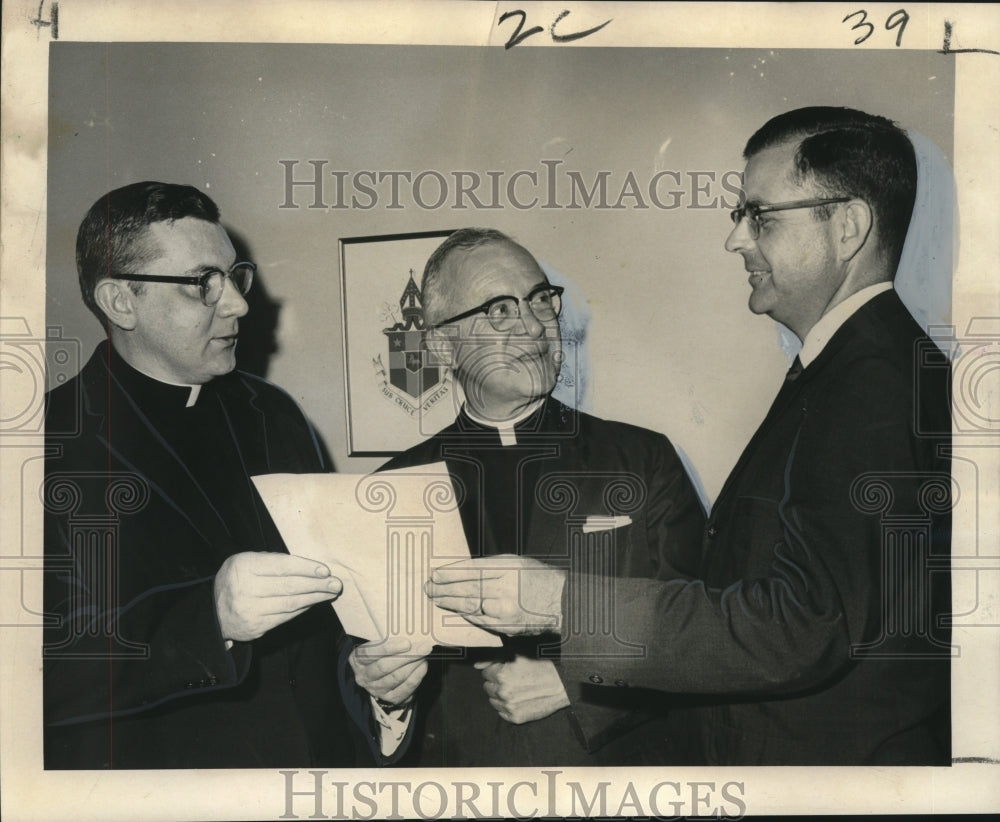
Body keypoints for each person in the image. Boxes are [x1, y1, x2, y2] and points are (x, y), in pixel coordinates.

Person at [427, 108, 953, 765]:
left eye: (759, 216)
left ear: (846, 227)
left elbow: (801, 627)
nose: (736, 240)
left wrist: (557, 600)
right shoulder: (851, 370)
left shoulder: (871, 381)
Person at [43, 181, 416, 768]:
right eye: (202, 284)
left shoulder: (273, 414)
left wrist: (379, 685)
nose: (239, 303)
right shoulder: (42, 444)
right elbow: (39, 670)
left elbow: (332, 617)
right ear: (120, 302)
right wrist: (208, 618)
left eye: (233, 275)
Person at [377, 228, 706, 766]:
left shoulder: (642, 458)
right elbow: (374, 669)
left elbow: (699, 629)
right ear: (441, 343)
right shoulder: (393, 487)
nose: (534, 327)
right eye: (499, 311)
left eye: (539, 300)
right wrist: (386, 699)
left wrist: (577, 684)